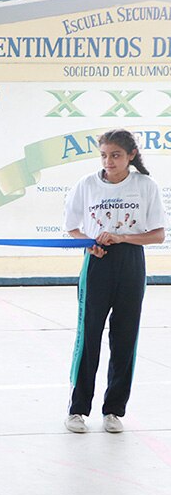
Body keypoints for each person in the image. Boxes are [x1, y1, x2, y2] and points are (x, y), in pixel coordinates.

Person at [63, 128, 165, 434]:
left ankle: (114, 410)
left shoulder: (145, 186)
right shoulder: (87, 185)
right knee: (88, 335)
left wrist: (122, 237)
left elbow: (158, 234)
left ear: (131, 155)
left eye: (116, 155)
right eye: (104, 155)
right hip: (97, 264)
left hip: (131, 264)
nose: (109, 161)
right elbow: (71, 228)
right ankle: (78, 409)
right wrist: (88, 242)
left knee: (124, 338)